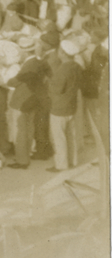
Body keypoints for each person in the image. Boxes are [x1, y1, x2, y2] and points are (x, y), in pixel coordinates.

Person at [48, 40, 83, 171]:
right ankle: (73, 161)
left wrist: (49, 83)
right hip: (71, 105)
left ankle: (61, 165)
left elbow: (56, 90)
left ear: (62, 53)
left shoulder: (62, 70)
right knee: (70, 135)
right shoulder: (77, 66)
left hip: (59, 108)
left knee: (58, 138)